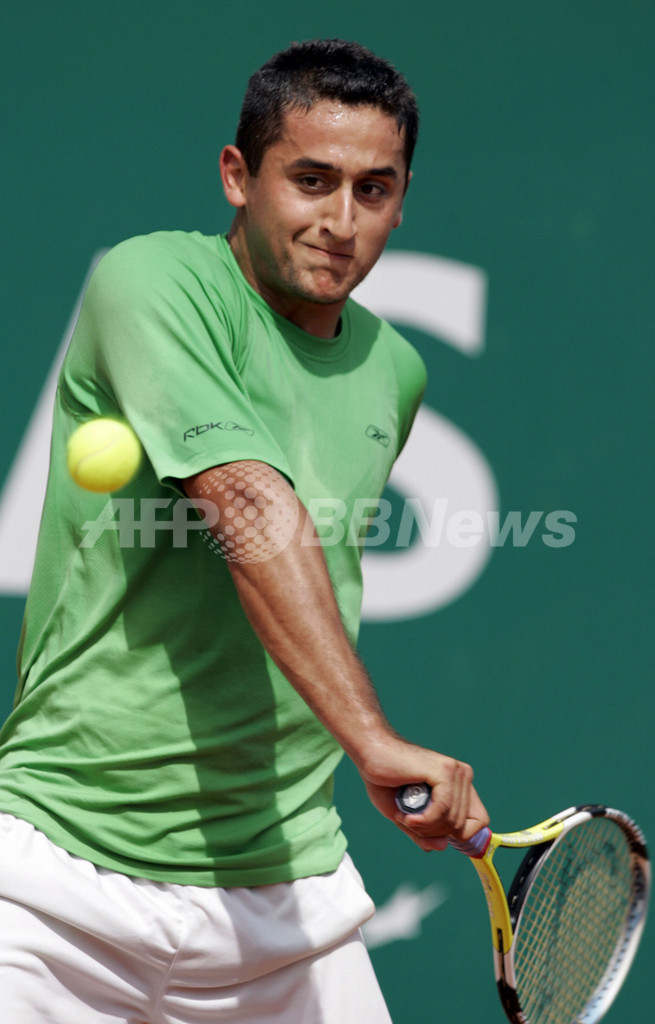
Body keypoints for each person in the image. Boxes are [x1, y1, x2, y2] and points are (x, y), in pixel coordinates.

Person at [0, 38, 488, 1023]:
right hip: (57, 887)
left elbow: (317, 562)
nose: (340, 221)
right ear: (237, 176)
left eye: (373, 189)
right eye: (310, 181)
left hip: (287, 894)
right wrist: (372, 739)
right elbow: (248, 504)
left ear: (401, 200)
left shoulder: (394, 370)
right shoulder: (152, 280)